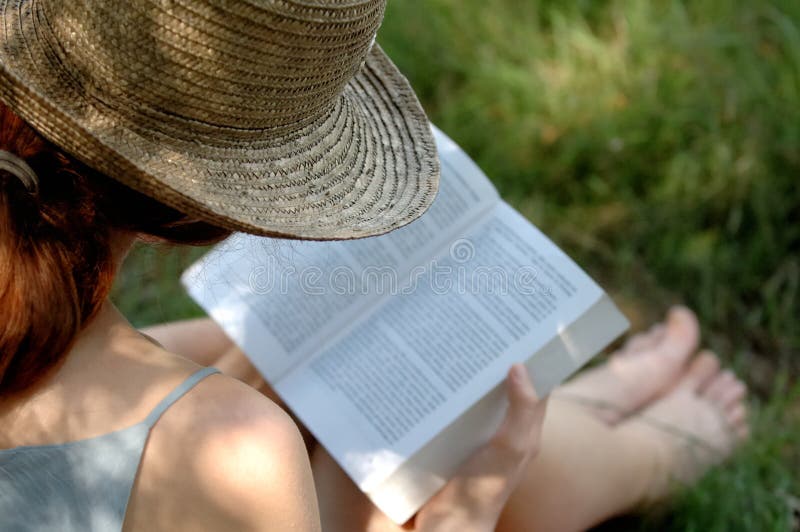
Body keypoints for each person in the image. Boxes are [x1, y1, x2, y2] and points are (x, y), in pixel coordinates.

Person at [0, 1, 747, 531]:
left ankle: (617, 409)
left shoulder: (35, 307)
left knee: (254, 371)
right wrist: (468, 516)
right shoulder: (227, 451)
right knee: (411, 471)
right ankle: (647, 449)